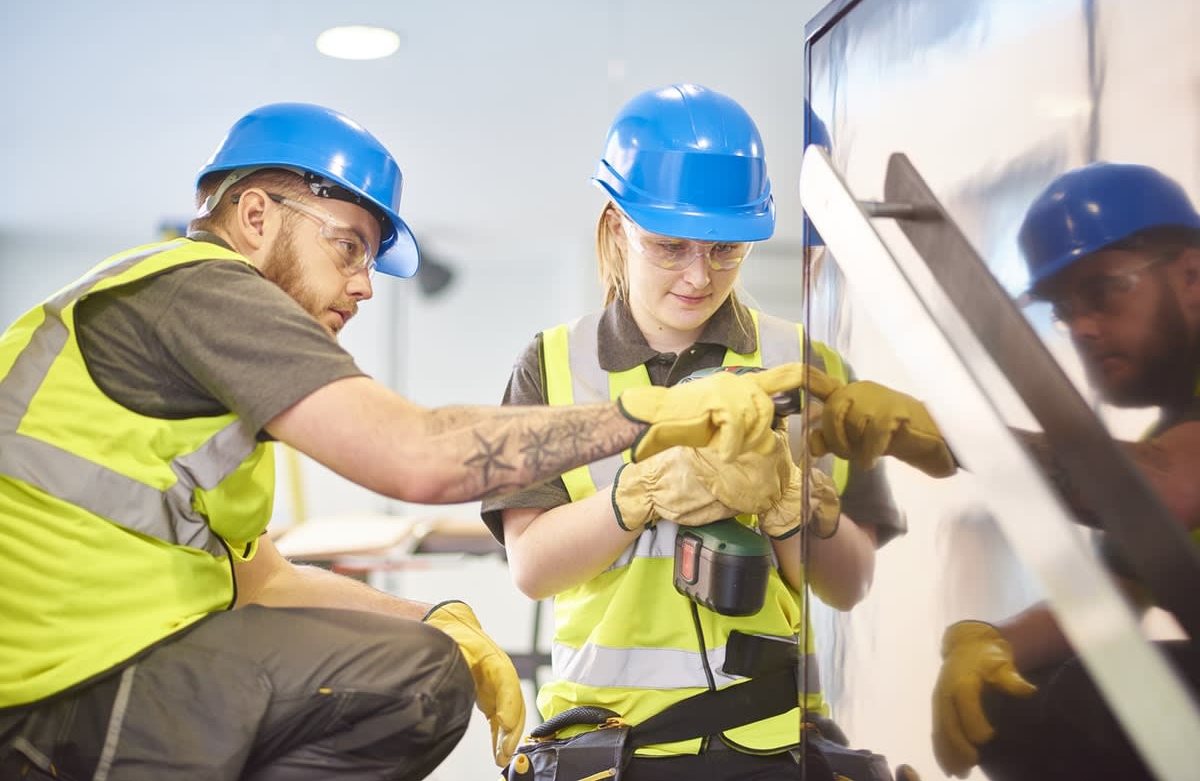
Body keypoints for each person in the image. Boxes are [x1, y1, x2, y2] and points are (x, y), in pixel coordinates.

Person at [0, 101, 813, 781]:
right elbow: (420, 454)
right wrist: (650, 420)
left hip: (72, 679)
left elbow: (257, 577)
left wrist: (436, 612)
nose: (362, 283)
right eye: (348, 245)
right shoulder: (205, 287)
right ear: (254, 216)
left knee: (419, 649)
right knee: (415, 682)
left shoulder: (182, 353)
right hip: (58, 694)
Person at [480, 84, 905, 781]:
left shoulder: (806, 365)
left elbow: (851, 583)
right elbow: (532, 565)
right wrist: (638, 495)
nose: (699, 275)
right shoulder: (552, 366)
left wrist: (786, 503)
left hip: (768, 745)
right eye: (670, 246)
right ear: (618, 227)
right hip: (612, 746)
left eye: (725, 249)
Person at [801, 162, 1200, 780]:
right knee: (1014, 698)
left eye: (1103, 290)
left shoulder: (1171, 455)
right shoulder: (1174, 426)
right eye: (1064, 311)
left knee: (1087, 703)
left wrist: (953, 433)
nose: (1084, 329)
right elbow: (1112, 603)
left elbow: (1166, 489)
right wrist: (990, 640)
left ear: (1193, 274)